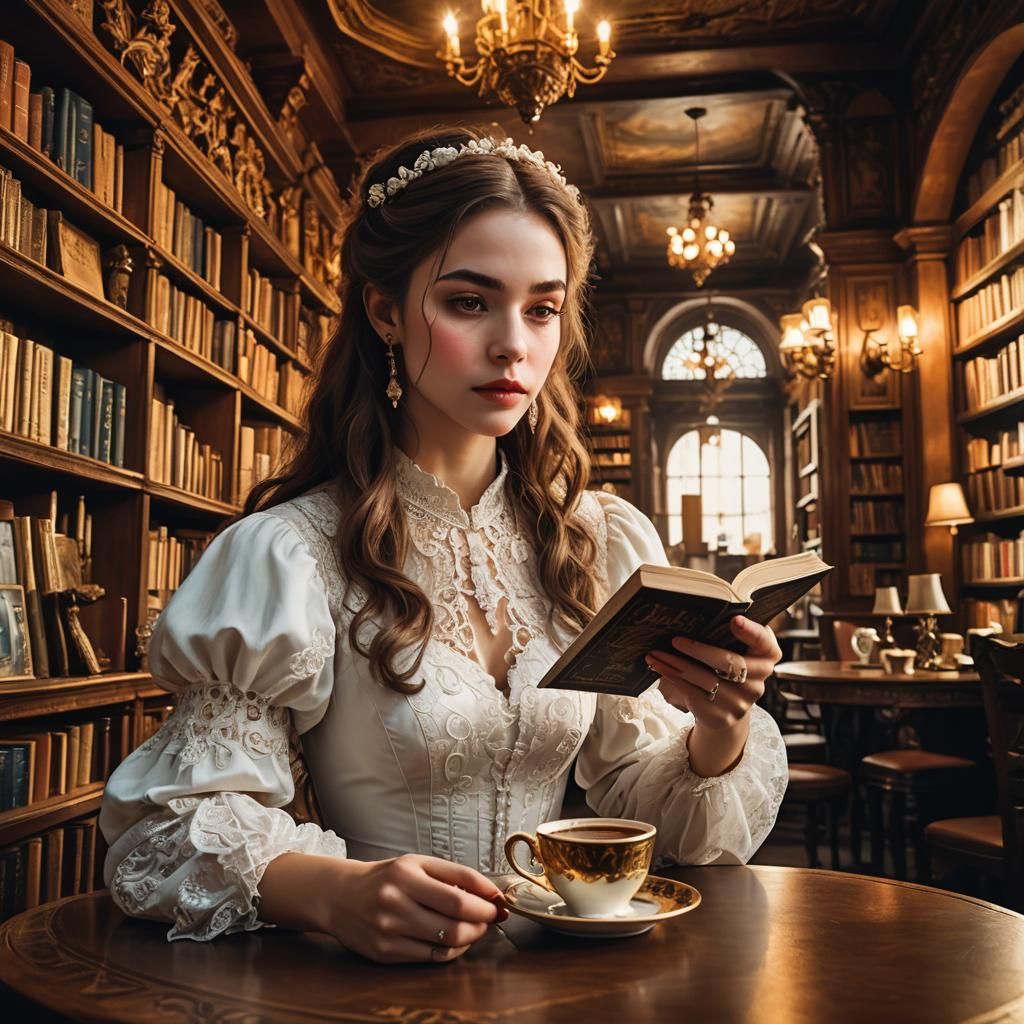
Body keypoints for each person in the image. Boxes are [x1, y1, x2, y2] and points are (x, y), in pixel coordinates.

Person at [99, 127, 788, 964]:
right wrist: (335, 891)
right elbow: (159, 834)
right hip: (371, 987)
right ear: (385, 309)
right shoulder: (290, 553)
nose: (514, 344)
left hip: (576, 983)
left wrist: (720, 731)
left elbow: (660, 826)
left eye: (541, 308)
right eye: (470, 301)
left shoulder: (598, 545)